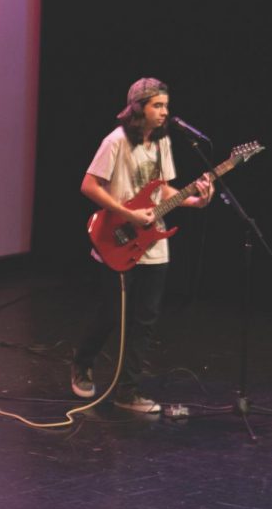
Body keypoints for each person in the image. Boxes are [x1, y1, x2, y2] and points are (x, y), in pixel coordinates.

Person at [70, 77, 214, 413]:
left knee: (145, 320)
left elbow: (162, 190)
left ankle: (128, 392)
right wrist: (126, 213)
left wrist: (194, 202)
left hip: (153, 241)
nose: (165, 112)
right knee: (111, 313)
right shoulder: (116, 141)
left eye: (166, 105)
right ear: (139, 108)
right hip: (117, 235)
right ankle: (82, 361)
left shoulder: (161, 143)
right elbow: (89, 185)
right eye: (158, 105)